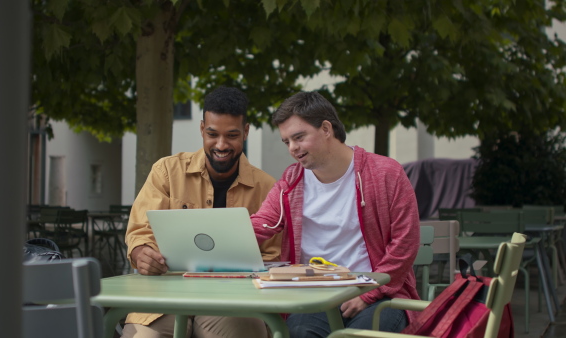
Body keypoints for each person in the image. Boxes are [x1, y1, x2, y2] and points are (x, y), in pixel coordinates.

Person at [250, 91, 420, 337]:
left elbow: (406, 243)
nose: (293, 148)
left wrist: (368, 292)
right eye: (287, 141)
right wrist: (212, 241)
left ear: (326, 129)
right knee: (300, 332)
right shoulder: (291, 181)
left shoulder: (385, 173)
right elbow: (260, 225)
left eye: (299, 137)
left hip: (376, 294)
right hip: (315, 296)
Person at [122, 86, 279, 338]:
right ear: (201, 128)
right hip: (165, 298)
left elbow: (274, 257)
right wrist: (142, 253)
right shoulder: (166, 172)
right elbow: (140, 232)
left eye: (232, 135)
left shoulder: (267, 187)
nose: (221, 144)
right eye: (212, 134)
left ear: (246, 132)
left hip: (234, 303)